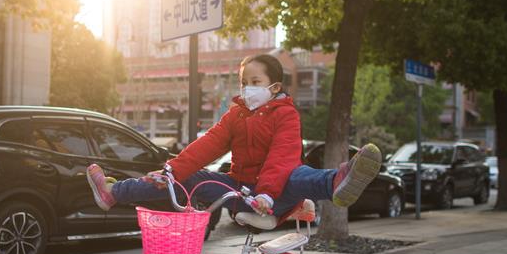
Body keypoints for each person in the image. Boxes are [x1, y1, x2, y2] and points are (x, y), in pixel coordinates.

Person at [86, 54, 381, 219]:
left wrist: (265, 192)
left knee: (295, 173)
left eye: (255, 82)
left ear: (274, 87)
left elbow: (282, 156)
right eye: (243, 82)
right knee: (183, 177)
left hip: (274, 197)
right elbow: (207, 144)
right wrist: (172, 171)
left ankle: (338, 182)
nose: (247, 88)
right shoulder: (236, 115)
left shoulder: (285, 114)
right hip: (240, 191)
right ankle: (114, 193)